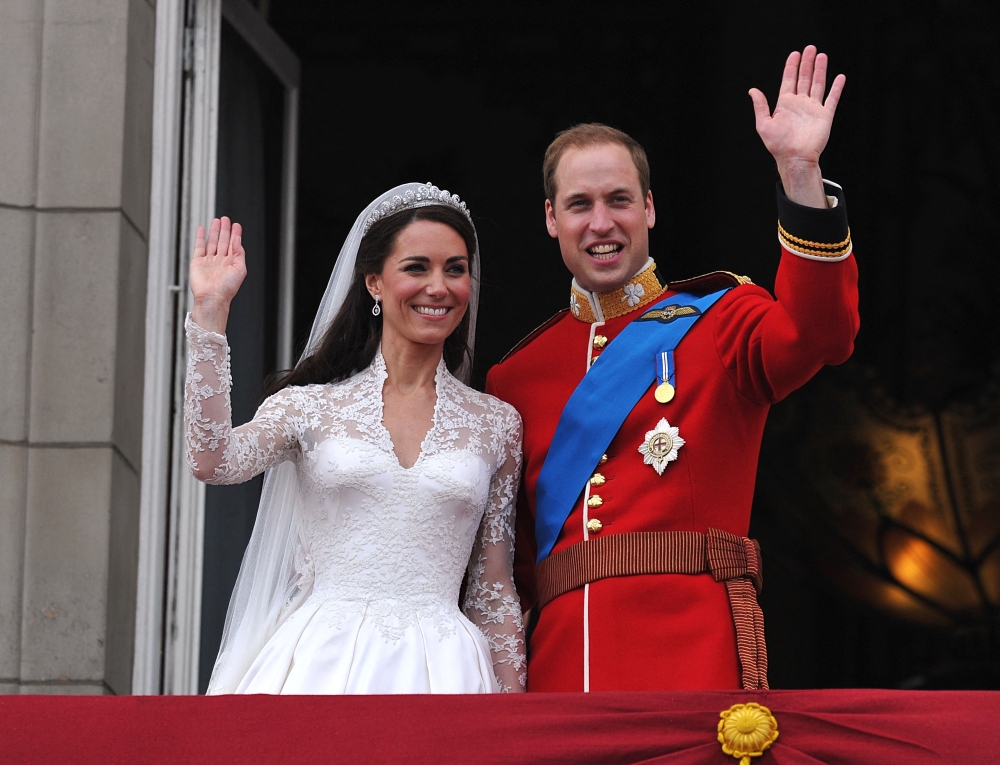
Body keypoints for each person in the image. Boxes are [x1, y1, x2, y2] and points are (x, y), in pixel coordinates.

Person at [486, 46, 859, 691]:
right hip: (561, 667)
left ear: (650, 208)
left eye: (619, 200)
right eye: (579, 204)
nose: (601, 223)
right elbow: (509, 566)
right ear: (551, 220)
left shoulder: (721, 320)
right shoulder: (514, 376)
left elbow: (821, 334)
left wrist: (799, 174)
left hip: (689, 655)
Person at [184, 183, 525, 694]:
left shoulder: (498, 424)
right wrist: (210, 313)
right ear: (374, 283)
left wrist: (512, 715)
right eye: (417, 267)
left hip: (447, 673)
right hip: (322, 664)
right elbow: (213, 460)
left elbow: (492, 586)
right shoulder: (309, 406)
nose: (439, 286)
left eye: (455, 269)